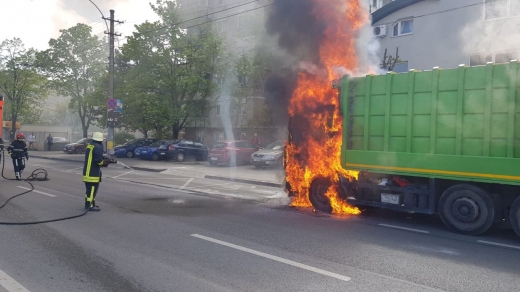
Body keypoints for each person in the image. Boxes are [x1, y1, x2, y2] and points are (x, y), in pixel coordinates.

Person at [83, 132, 109, 211]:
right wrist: (104, 163)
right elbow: (98, 160)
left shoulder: (90, 146)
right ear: (100, 140)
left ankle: (90, 203)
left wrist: (103, 158)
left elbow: (94, 156)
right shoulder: (98, 147)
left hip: (87, 173)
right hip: (93, 173)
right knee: (92, 191)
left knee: (89, 190)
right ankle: (90, 206)